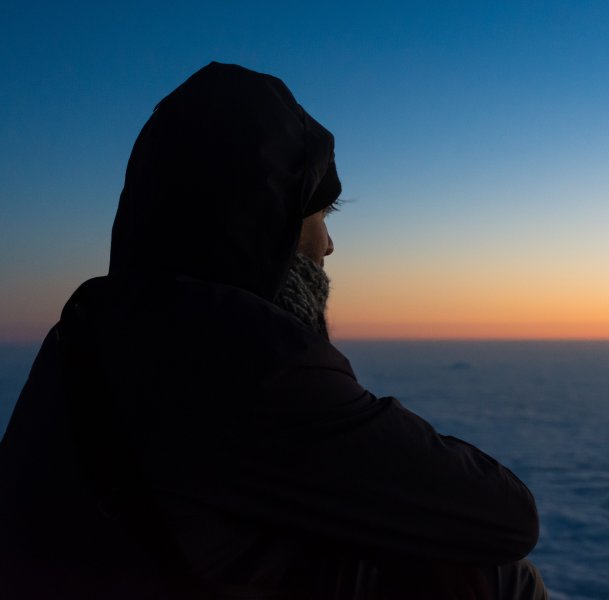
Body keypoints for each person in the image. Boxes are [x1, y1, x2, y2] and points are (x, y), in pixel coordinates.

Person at [0, 62, 547, 599]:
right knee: (495, 577)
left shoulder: (90, 325)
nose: (329, 244)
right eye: (321, 214)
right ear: (269, 222)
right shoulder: (240, 357)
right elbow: (506, 515)